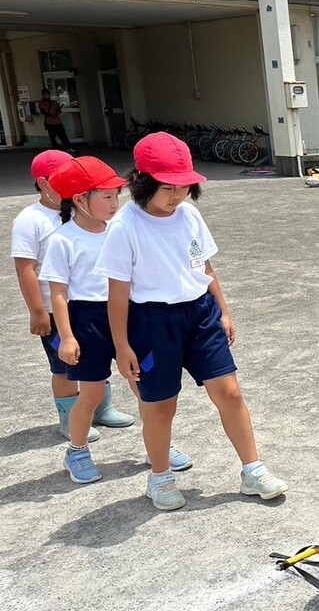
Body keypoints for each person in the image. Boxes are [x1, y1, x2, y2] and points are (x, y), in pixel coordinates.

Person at [96, 132, 288, 510]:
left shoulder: (190, 215)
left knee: (230, 392)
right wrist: (121, 346)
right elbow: (117, 292)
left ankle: (253, 469)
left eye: (183, 187)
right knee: (160, 404)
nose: (176, 195)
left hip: (200, 313)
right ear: (141, 182)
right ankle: (160, 477)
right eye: (167, 187)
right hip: (151, 321)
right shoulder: (125, 225)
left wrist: (224, 310)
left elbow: (205, 266)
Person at [39, 157, 134, 483]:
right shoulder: (62, 239)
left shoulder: (121, 231)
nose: (114, 203)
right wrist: (66, 336)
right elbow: (59, 294)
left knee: (146, 384)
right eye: (106, 196)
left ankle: (162, 444)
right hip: (87, 320)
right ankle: (76, 451)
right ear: (79, 199)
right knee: (91, 394)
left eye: (116, 195)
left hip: (125, 314)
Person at [11, 149, 114, 443]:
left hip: (87, 306)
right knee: (64, 364)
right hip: (54, 308)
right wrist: (37, 311)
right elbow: (25, 268)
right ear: (44, 183)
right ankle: (69, 418)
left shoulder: (87, 215)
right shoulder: (31, 219)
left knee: (94, 357)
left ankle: (101, 406)